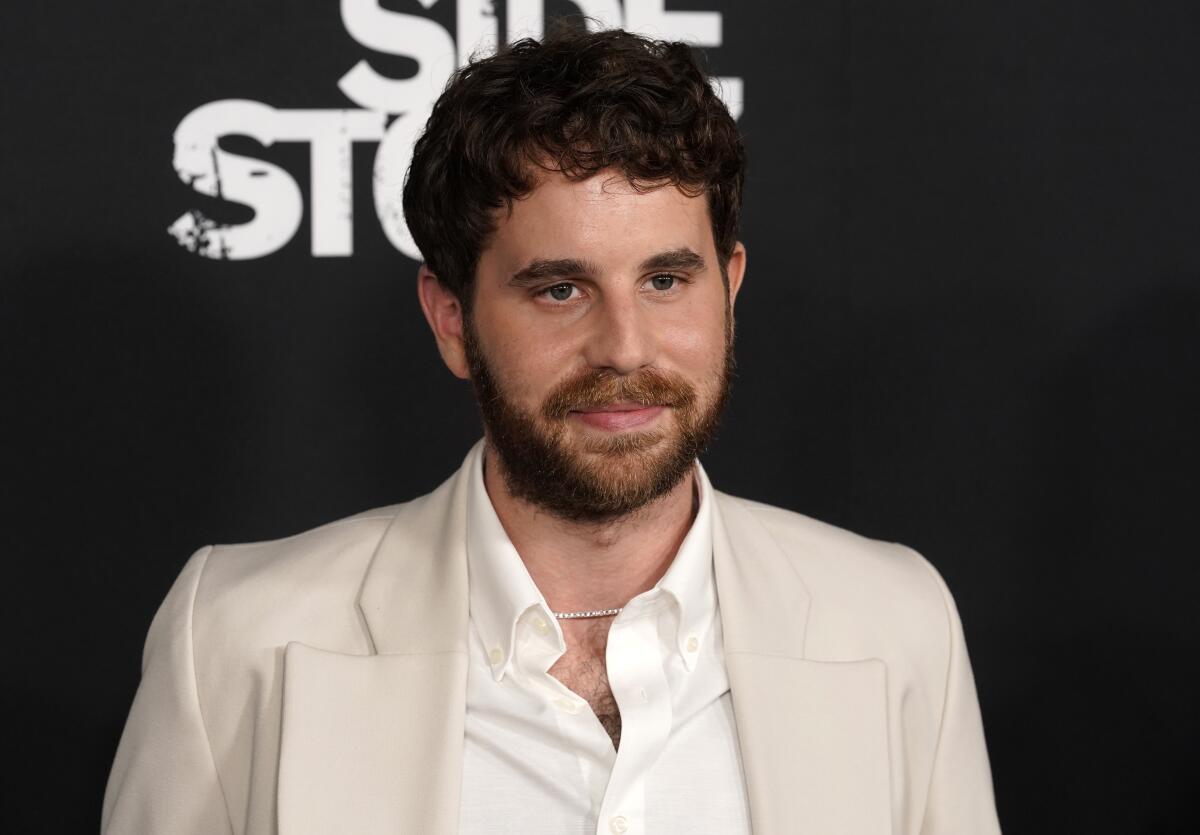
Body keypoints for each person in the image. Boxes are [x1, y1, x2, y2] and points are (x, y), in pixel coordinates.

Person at [102, 25, 1002, 835]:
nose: (624, 347)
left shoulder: (893, 625)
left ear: (728, 288)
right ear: (452, 318)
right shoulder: (236, 637)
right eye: (559, 289)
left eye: (665, 280)